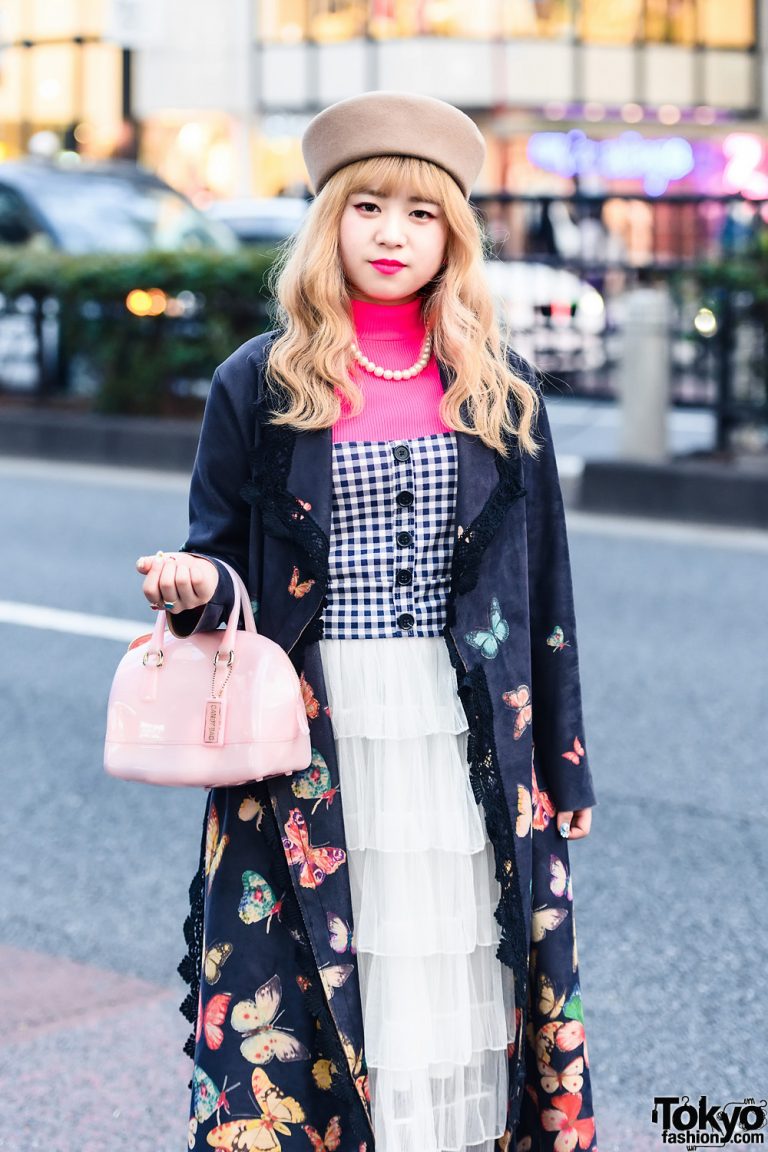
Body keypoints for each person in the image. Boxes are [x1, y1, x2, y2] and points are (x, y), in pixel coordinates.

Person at [135, 91, 598, 1152]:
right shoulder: (259, 381)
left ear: (454, 236)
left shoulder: (503, 390)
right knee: (309, 996)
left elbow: (548, 595)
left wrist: (565, 764)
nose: (393, 234)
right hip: (311, 735)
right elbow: (217, 554)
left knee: (454, 989)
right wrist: (186, 585)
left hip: (462, 731)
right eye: (369, 207)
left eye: (422, 214)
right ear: (328, 221)